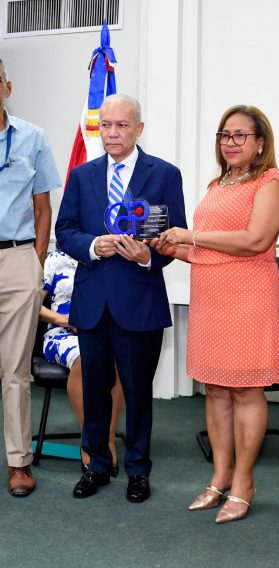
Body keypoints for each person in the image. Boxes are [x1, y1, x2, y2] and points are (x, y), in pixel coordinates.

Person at [152, 105, 279, 523]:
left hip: (249, 297)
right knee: (214, 389)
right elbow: (207, 250)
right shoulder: (217, 184)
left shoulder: (271, 181)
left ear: (260, 142)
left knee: (246, 391)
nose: (230, 142)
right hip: (210, 296)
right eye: (224, 135)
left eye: (240, 135)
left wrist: (190, 236)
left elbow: (255, 240)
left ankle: (244, 481)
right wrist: (169, 247)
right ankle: (220, 476)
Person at [55, 93, 187, 502]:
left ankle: (138, 470)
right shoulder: (82, 176)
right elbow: (65, 230)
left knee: (138, 393)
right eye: (106, 125)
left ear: (139, 129)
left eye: (122, 125)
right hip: (93, 301)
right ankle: (96, 465)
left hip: (139, 301)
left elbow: (175, 236)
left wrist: (148, 257)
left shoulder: (164, 174)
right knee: (94, 389)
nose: (112, 133)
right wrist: (94, 246)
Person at [0, 58, 61, 496]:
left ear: (7, 88)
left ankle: (19, 463)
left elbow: (43, 208)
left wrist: (36, 263)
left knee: (15, 371)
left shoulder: (32, 137)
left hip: (18, 259)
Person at [40, 246, 125, 473]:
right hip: (63, 333)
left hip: (101, 331)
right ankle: (91, 440)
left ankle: (107, 438)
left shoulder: (107, 255)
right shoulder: (54, 260)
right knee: (84, 357)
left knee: (120, 360)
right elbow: (30, 305)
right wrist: (62, 319)